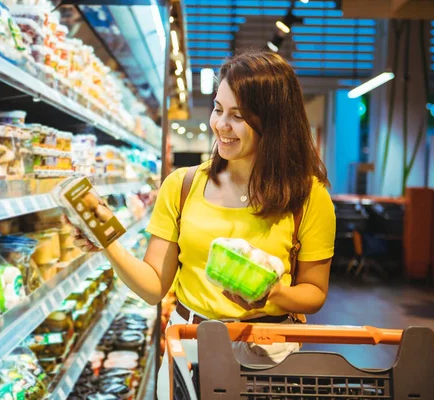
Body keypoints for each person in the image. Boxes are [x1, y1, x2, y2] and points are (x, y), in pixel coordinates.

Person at [69, 49, 336, 398]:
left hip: (269, 356)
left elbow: (314, 293)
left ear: (272, 122)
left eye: (237, 116)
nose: (220, 125)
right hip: (190, 346)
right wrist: (107, 241)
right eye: (217, 108)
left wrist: (274, 294)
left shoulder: (308, 196)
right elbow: (153, 287)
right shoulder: (181, 186)